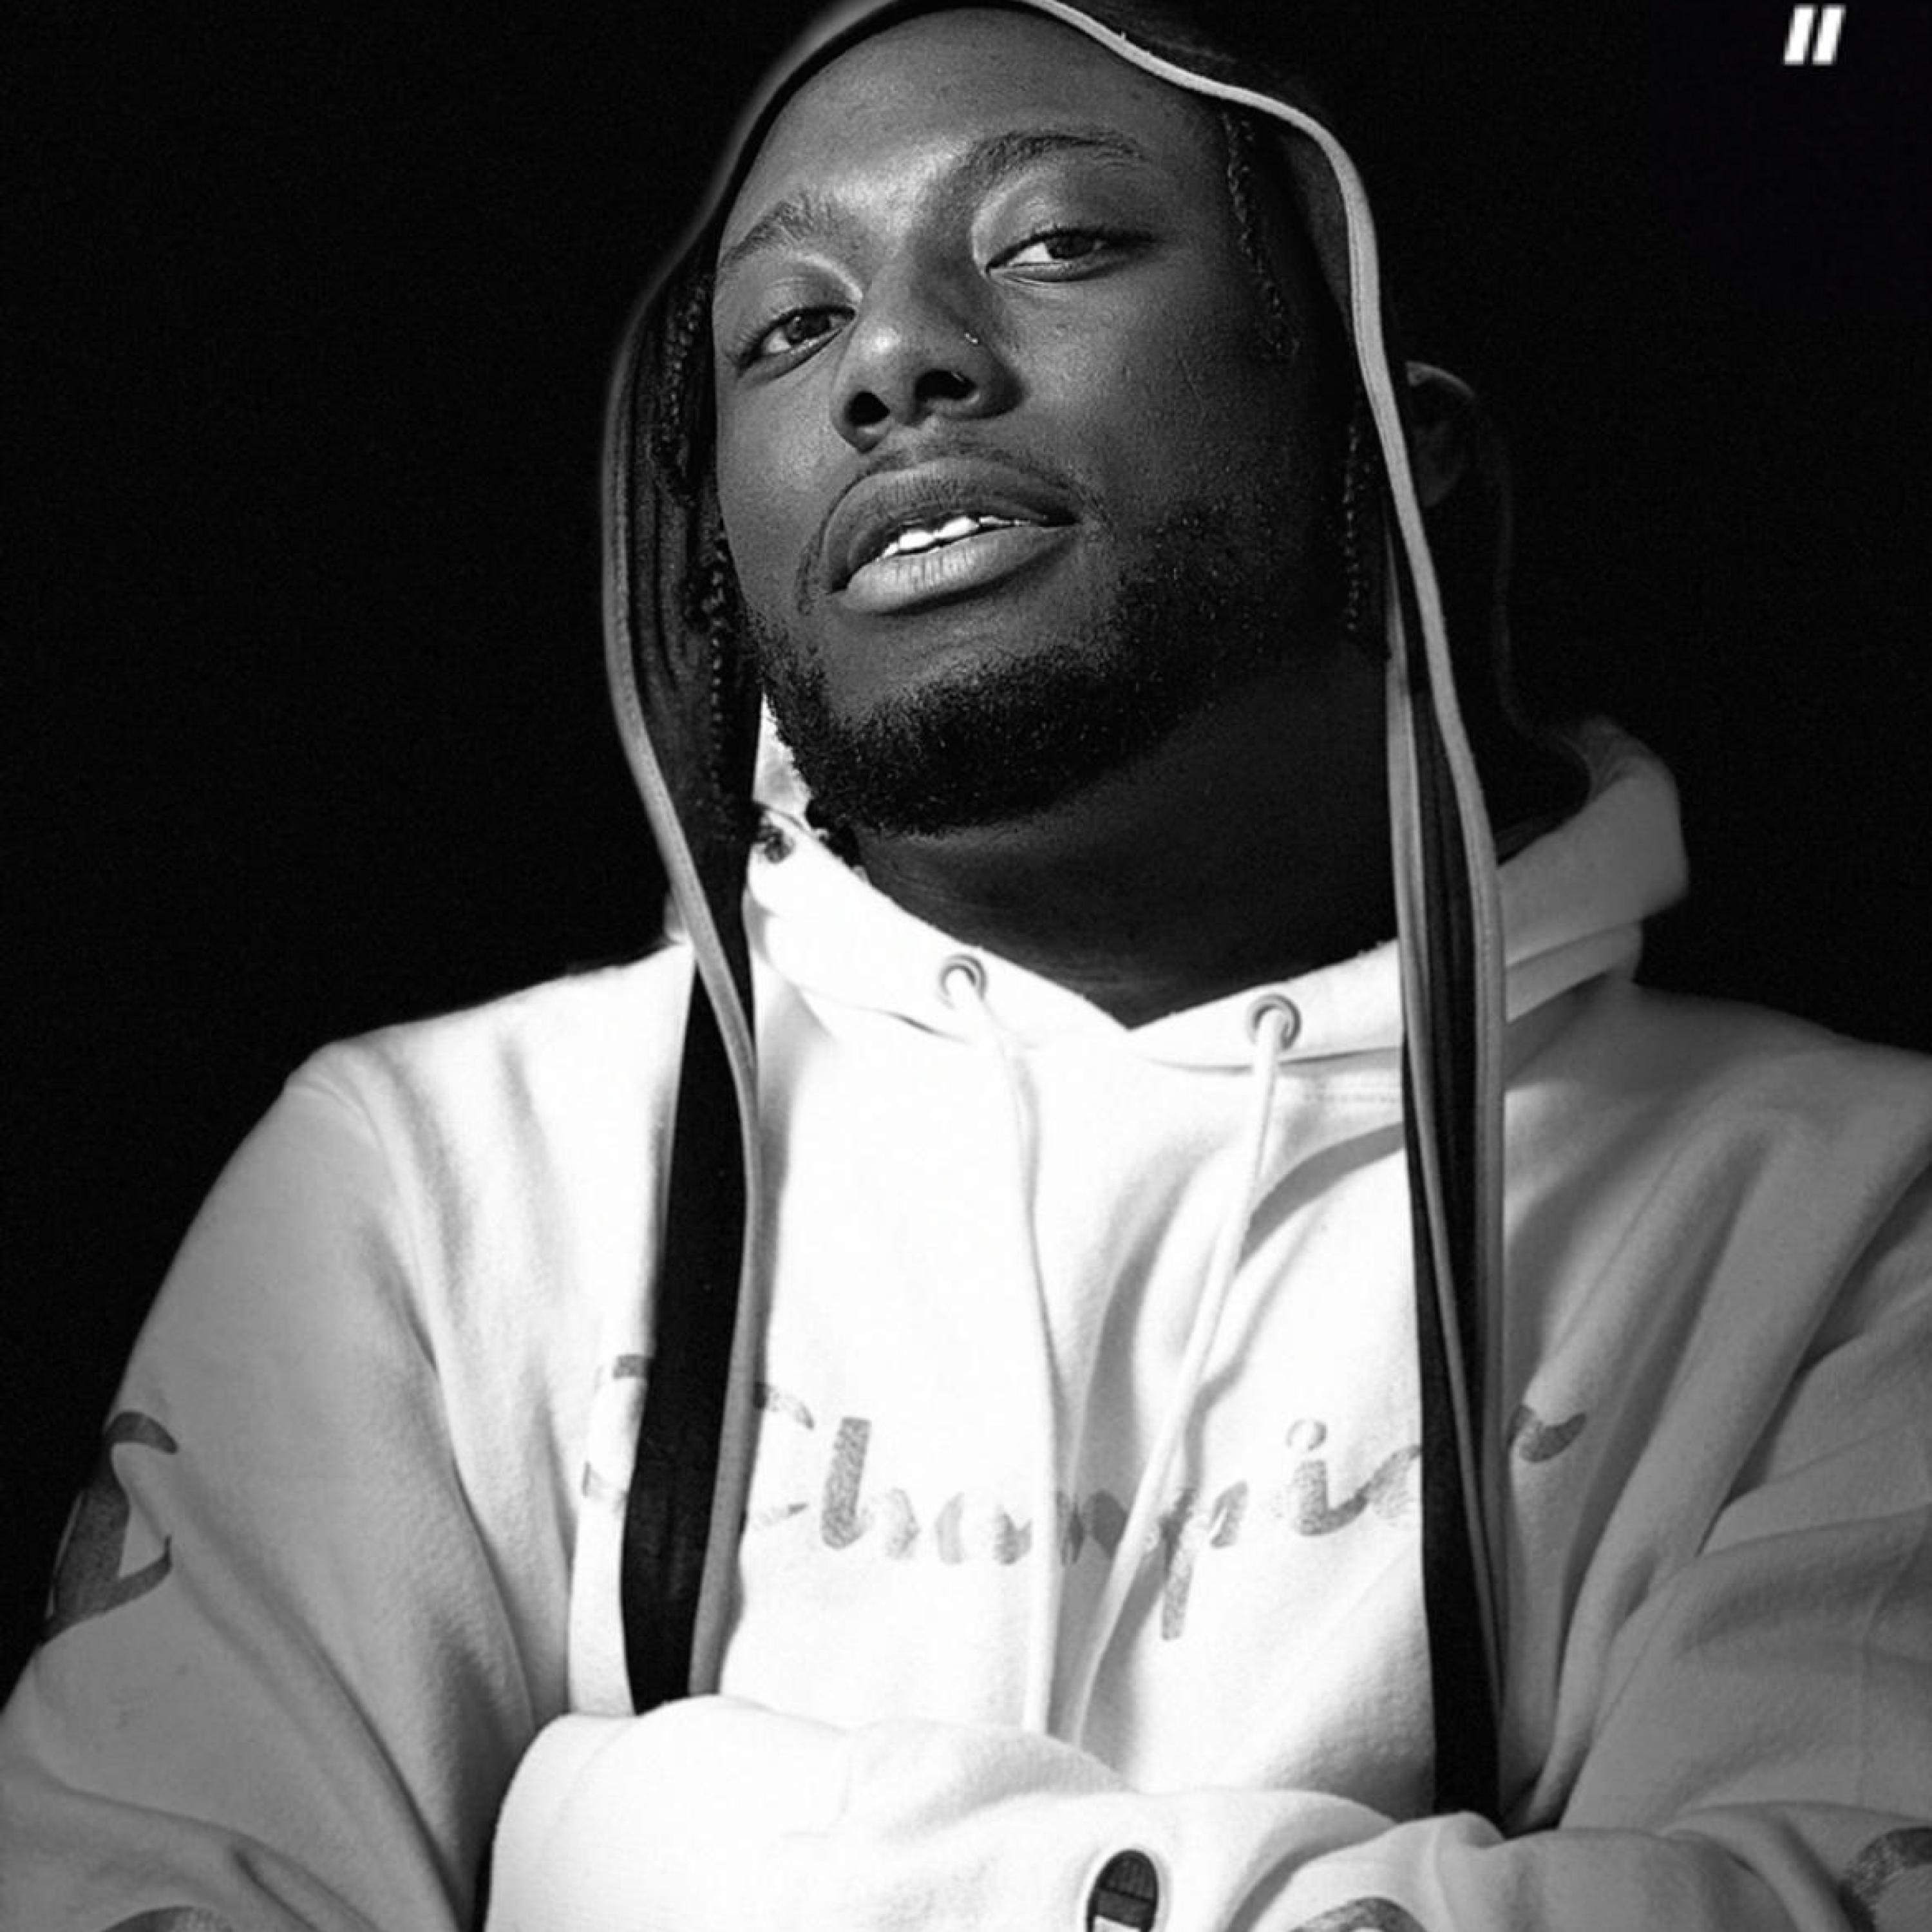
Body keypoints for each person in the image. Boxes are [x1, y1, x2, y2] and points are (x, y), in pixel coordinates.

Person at [3, 2, 1928, 1927]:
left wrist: (650, 1851)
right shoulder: (423, 1188)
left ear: (1383, 448)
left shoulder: (1858, 1222)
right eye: (786, 329)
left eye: (1057, 242)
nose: (893, 361)